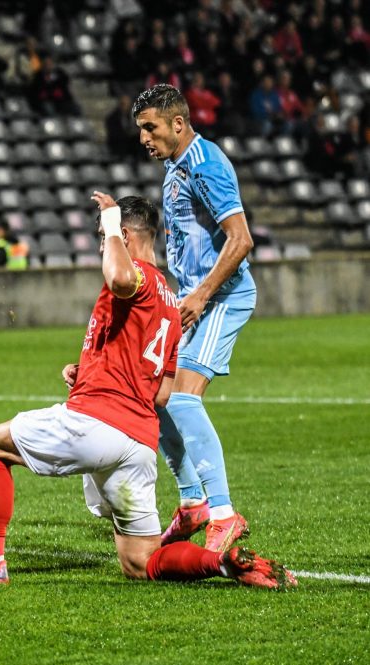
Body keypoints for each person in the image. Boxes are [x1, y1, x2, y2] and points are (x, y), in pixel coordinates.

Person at [0, 193, 296, 590]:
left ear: (126, 236)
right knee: (139, 561)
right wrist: (89, 373)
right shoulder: (170, 303)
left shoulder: (140, 278)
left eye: (106, 236)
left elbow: (120, 278)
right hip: (139, 443)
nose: (102, 244)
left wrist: (109, 221)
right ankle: (223, 564)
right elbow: (161, 394)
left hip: (96, 424)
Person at [132, 84, 257, 551]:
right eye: (141, 129)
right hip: (194, 299)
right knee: (157, 396)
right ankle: (191, 504)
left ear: (178, 123)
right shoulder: (175, 166)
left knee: (183, 400)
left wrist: (202, 295)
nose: (144, 137)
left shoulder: (204, 164)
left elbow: (240, 239)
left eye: (151, 127)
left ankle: (223, 513)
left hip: (223, 298)